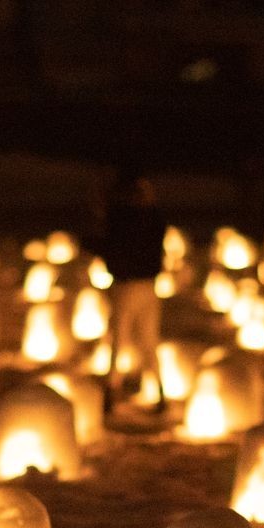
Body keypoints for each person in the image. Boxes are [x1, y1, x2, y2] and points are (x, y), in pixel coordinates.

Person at [101, 170, 167, 397]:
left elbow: (109, 247)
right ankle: (159, 392)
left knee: (119, 339)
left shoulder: (120, 219)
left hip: (127, 285)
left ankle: (111, 390)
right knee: (149, 340)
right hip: (148, 285)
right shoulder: (154, 219)